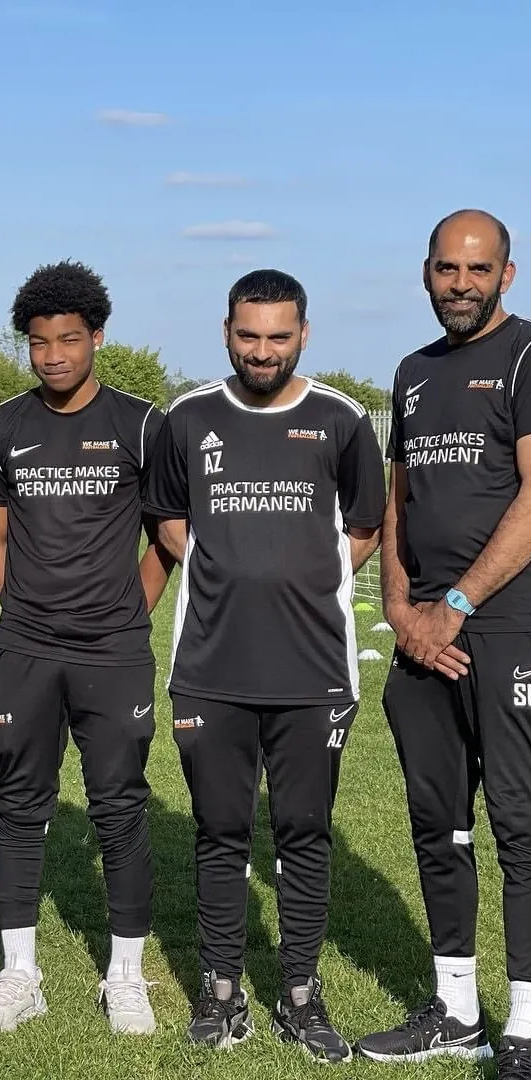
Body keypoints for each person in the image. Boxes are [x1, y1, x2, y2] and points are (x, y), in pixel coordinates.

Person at [145, 269, 386, 1062]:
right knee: (219, 831)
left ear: (304, 336)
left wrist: (304, 579)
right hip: (210, 668)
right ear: (226, 332)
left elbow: (363, 525)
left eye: (279, 336)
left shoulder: (341, 420)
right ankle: (220, 993)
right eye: (249, 335)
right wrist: (228, 571)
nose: (262, 350)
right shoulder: (187, 418)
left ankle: (300, 997)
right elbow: (169, 518)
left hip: (313, 669)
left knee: (303, 833)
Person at [0, 259, 173, 1035]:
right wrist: (25, 613)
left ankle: (126, 976)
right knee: (20, 806)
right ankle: (20, 973)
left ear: (97, 338)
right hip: (24, 648)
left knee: (120, 807)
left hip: (114, 651)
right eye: (40, 343)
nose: (53, 356)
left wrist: (129, 610)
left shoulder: (143, 425)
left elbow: (168, 535)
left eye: (69, 340)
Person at [356, 210, 531, 1075]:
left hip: (503, 627)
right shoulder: (412, 373)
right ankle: (457, 1013)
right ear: (425, 272)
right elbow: (399, 502)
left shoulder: (528, 357)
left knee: (520, 824)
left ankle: (528, 1027)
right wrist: (401, 609)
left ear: (507, 273)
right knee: (439, 827)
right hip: (422, 637)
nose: (460, 284)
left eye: (477, 269)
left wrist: (455, 604)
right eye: (446, 269)